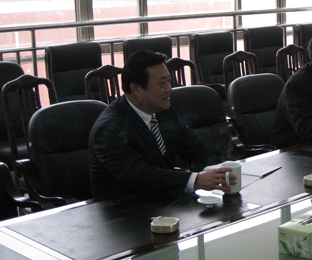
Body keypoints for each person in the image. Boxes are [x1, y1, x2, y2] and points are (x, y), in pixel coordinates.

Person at [89, 50, 236, 200]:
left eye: (169, 81)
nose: (169, 89)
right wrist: (196, 180)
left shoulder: (163, 111)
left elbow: (194, 147)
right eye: (162, 83)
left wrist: (214, 170)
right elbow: (138, 176)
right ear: (136, 89)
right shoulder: (109, 129)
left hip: (163, 199)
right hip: (125, 207)